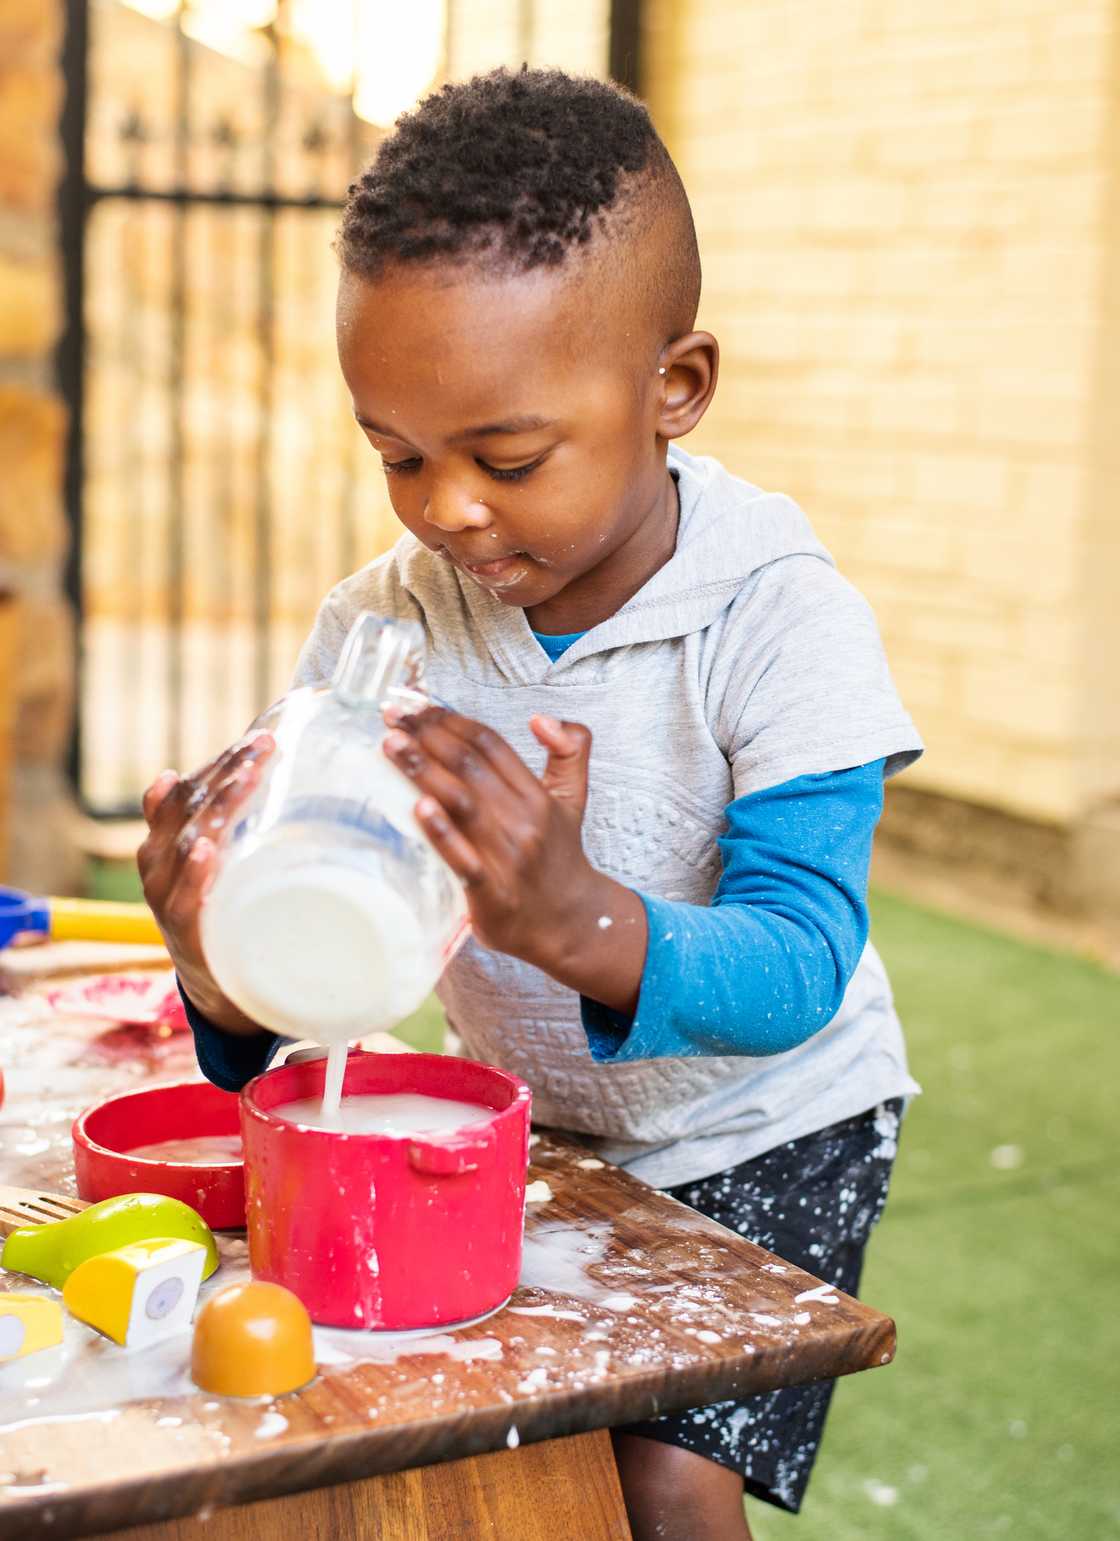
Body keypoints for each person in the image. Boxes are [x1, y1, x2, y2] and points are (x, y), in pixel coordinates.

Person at [138, 68, 922, 1541]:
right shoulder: (386, 626)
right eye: (397, 454)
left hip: (767, 1118)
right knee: (443, 1408)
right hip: (531, 1114)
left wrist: (578, 918)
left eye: (506, 457)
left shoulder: (777, 619)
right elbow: (291, 992)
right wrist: (211, 950)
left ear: (673, 387)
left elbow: (802, 959)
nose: (446, 510)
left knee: (656, 1461)